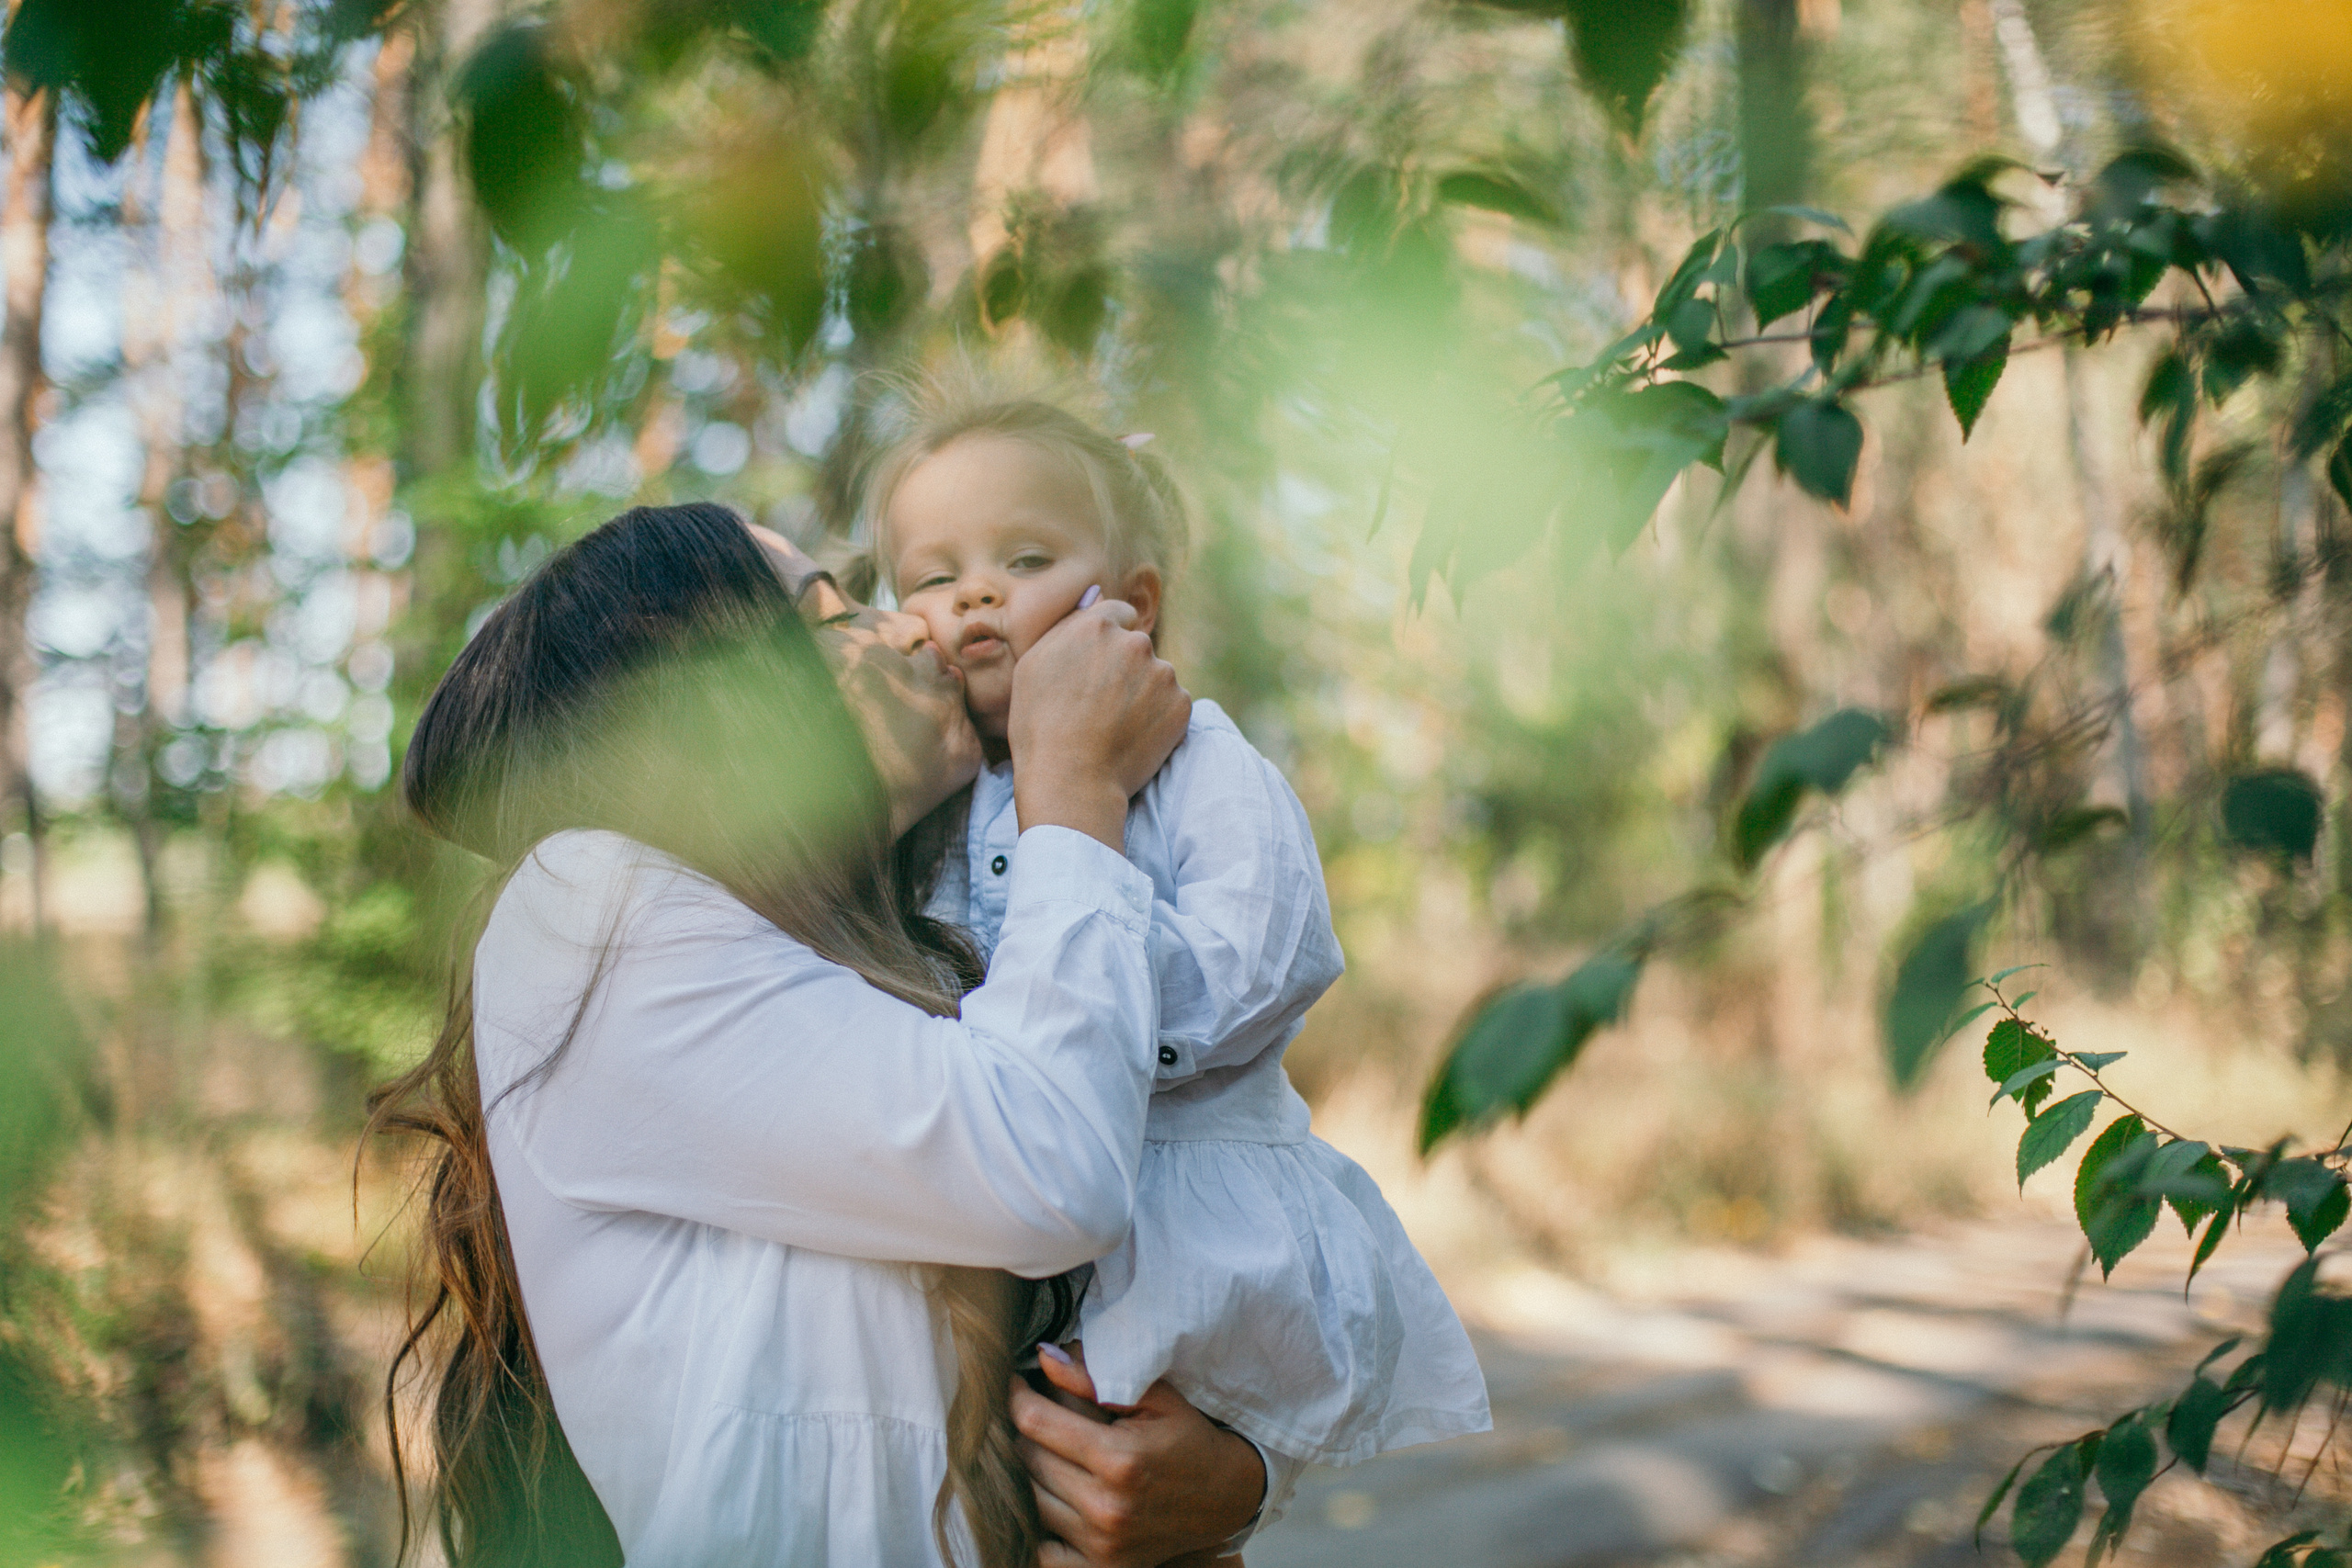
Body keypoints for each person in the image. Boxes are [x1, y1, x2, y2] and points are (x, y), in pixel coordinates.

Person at [369, 502, 1272, 1567]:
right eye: (829, 614)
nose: (912, 624)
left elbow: (1193, 1246)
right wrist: (1073, 779)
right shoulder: (582, 906)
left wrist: (1230, 1479)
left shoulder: (914, 944)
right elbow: (1049, 1165)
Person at [864, 393, 1493, 1546]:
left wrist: (1078, 995)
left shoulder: (1199, 760)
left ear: (1132, 602)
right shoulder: (923, 811)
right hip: (1009, 1254)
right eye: (932, 576)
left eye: (1025, 559)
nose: (975, 595)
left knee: (1140, 1511)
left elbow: (1264, 957)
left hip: (1178, 1235)